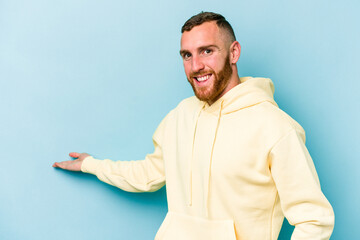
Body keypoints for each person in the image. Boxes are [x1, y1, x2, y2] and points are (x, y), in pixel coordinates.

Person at [53, 12, 334, 240]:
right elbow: (149, 173)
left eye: (207, 51)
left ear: (234, 53)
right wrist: (93, 165)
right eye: (187, 55)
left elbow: (315, 219)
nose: (196, 65)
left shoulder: (275, 127)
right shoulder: (180, 116)